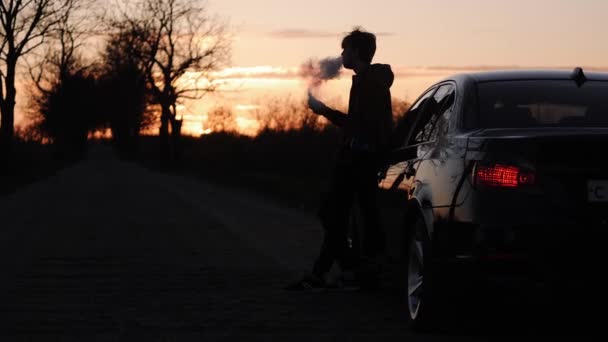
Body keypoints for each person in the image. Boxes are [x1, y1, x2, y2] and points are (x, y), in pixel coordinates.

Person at [286, 27, 394, 291]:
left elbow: (359, 125)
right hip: (356, 160)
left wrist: (324, 111)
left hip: (359, 161)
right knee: (339, 216)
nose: (341, 54)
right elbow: (358, 124)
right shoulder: (366, 81)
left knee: (335, 215)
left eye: (345, 49)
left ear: (355, 52)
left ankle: (354, 270)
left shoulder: (370, 83)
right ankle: (325, 274)